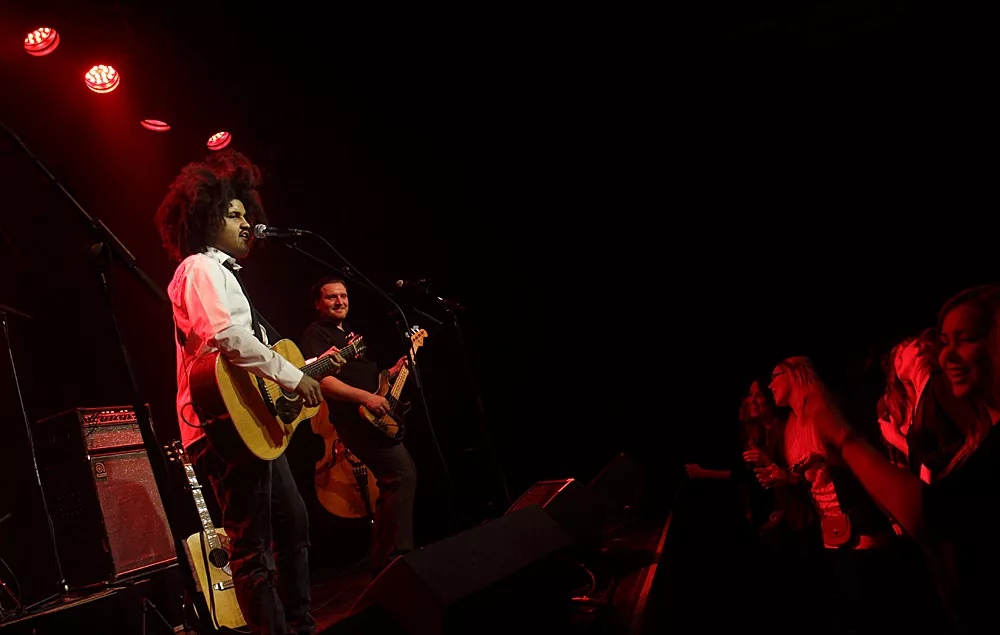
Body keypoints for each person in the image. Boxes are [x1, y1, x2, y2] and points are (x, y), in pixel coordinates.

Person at [156, 150, 341, 635]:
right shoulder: (201, 268)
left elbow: (243, 347)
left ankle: (299, 624)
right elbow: (227, 337)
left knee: (293, 524)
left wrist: (296, 373)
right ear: (205, 218)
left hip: (249, 423)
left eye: (246, 214)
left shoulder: (221, 273)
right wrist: (294, 377)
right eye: (233, 214)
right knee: (251, 545)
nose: (246, 224)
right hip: (223, 430)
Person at [810, 286, 1000, 633]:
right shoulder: (973, 424)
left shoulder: (938, 390)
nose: (946, 354)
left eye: (966, 339)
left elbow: (933, 513)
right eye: (944, 341)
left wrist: (844, 436)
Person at [299, 276, 416, 576]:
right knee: (401, 474)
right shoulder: (315, 334)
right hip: (356, 420)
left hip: (375, 418)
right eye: (331, 297)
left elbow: (366, 375)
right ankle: (395, 558)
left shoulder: (350, 333)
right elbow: (323, 382)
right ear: (318, 304)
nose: (340, 301)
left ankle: (386, 560)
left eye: (344, 296)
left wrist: (391, 372)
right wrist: (365, 397)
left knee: (395, 479)